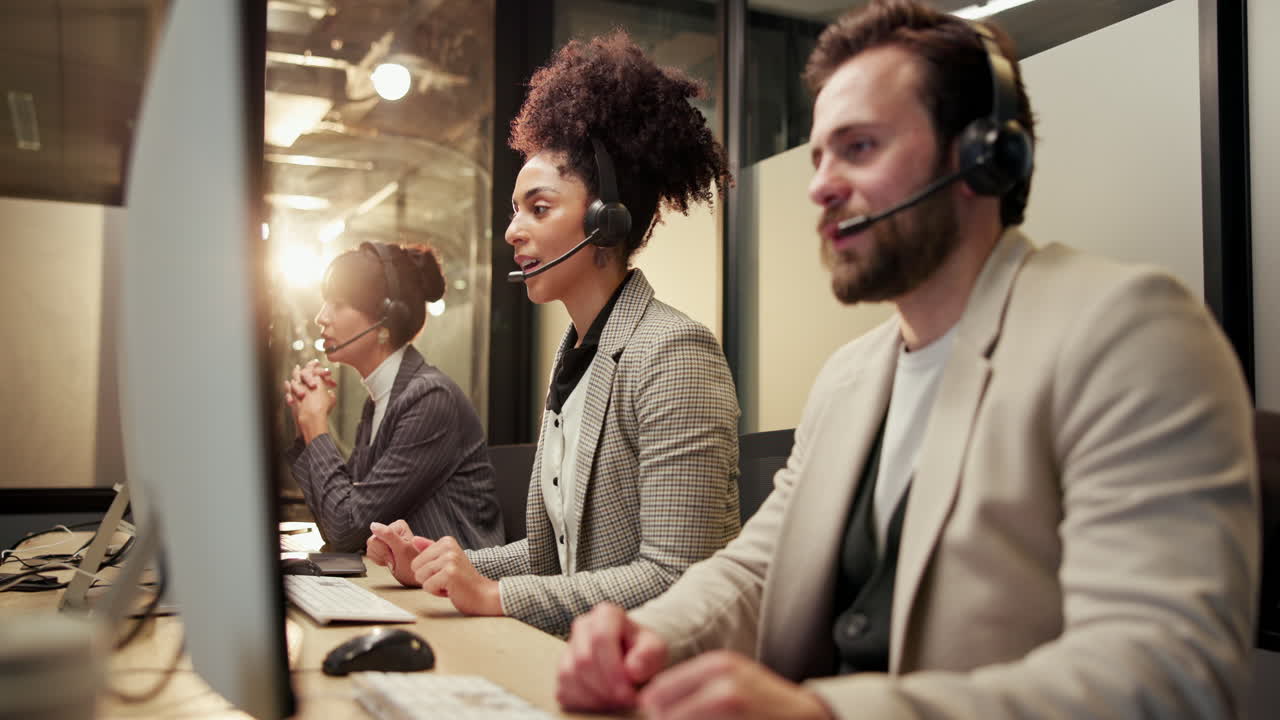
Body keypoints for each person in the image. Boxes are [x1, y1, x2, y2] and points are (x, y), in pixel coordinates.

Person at [556, 2, 1260, 718]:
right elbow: (759, 567)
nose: (819, 184)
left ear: (983, 155)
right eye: (819, 153)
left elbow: (1171, 672)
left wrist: (825, 715)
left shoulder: (1127, 332)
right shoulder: (851, 376)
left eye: (859, 148)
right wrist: (646, 637)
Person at [366, 31, 742, 637]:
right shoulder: (575, 362)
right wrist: (438, 567)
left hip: (660, 678)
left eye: (538, 209)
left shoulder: (672, 353)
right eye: (516, 210)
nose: (513, 231)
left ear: (606, 220)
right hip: (578, 663)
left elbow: (678, 576)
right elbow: (550, 559)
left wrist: (495, 597)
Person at [284, 242, 503, 553]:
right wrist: (304, 426)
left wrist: (317, 425)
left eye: (338, 303)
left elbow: (347, 528)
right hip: (408, 583)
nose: (321, 317)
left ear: (385, 318)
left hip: (450, 590)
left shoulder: (429, 398)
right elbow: (337, 520)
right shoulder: (378, 402)